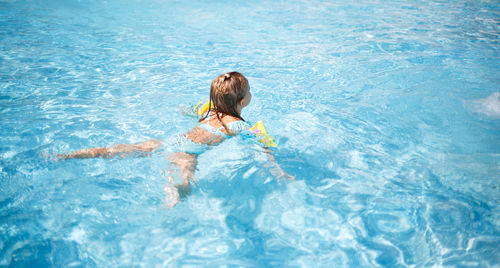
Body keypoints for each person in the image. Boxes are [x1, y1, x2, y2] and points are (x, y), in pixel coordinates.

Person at [58, 71, 294, 207]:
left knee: (122, 150)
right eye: (249, 91)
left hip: (172, 142)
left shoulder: (207, 111)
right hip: (188, 153)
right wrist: (278, 170)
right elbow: (262, 147)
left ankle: (72, 155)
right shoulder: (239, 125)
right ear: (242, 102)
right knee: (185, 180)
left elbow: (187, 110)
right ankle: (174, 196)